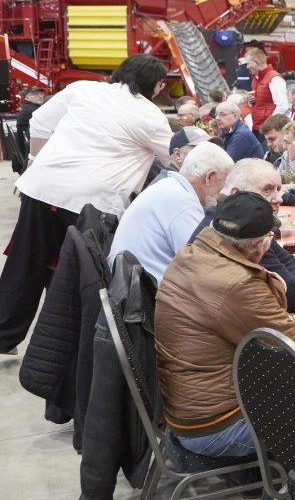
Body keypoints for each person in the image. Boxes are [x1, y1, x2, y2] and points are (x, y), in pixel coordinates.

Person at [157, 192, 295, 458]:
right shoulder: (239, 285)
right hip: (218, 424)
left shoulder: (191, 254)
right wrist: (281, 298)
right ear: (260, 246)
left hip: (192, 404)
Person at [0, 55, 173, 354]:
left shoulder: (83, 89)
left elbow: (40, 121)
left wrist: (35, 160)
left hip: (43, 188)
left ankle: (4, 334)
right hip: (93, 202)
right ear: (155, 84)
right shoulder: (150, 116)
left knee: (24, 263)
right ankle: (67, 347)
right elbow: (176, 156)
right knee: (79, 274)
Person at [191, 159, 295, 311]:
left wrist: (294, 284)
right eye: (267, 189)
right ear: (237, 193)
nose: (279, 199)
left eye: (278, 189)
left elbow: (291, 263)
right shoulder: (239, 231)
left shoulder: (232, 218)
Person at [108, 142, 233, 283]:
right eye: (225, 182)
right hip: (143, 288)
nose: (223, 190)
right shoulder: (182, 202)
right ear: (210, 177)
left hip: (130, 281)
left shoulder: (170, 187)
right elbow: (204, 262)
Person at [241, 47, 286, 133]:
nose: (247, 67)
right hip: (257, 127)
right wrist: (252, 101)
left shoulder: (275, 78)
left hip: (267, 129)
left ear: (257, 62)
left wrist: (269, 125)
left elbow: (282, 106)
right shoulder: (255, 79)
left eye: (248, 63)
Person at [14, 87, 44, 163]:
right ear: (27, 98)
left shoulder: (28, 107)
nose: (40, 96)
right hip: (30, 150)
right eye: (35, 94)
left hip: (26, 147)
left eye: (41, 94)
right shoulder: (34, 110)